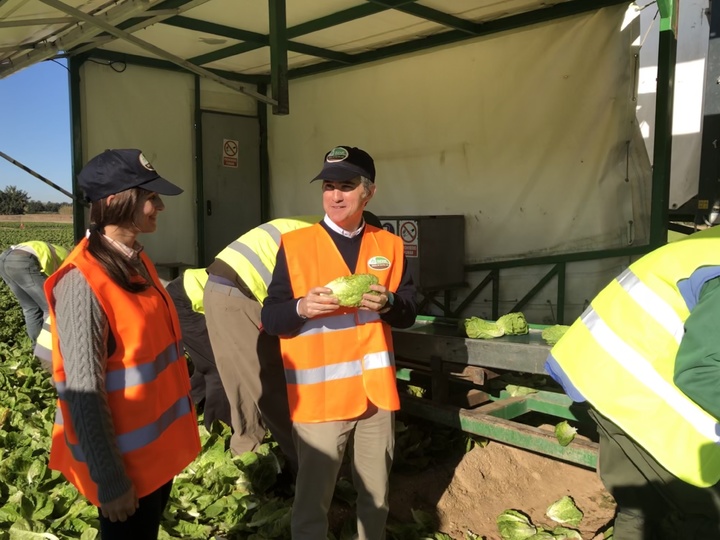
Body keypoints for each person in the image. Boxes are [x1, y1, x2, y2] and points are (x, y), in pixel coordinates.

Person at [261, 145, 417, 540]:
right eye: (329, 186)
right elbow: (271, 318)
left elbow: (410, 311)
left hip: (375, 397)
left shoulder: (390, 245)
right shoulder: (296, 245)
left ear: (369, 192)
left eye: (346, 186)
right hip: (320, 401)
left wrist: (391, 303)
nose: (335, 195)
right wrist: (301, 307)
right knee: (313, 505)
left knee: (376, 498)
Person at [45, 149, 200, 539]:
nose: (160, 206)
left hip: (153, 459)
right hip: (123, 469)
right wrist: (110, 481)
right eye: (150, 197)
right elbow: (84, 392)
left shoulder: (136, 260)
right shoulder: (82, 281)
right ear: (115, 202)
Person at [545, 225, 720, 539]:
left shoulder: (712, 243)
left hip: (602, 373)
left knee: (641, 509)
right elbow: (701, 371)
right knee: (707, 512)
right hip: (638, 389)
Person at [203, 211, 383, 469]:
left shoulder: (319, 227)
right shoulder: (322, 242)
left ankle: (250, 456)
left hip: (231, 287)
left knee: (249, 380)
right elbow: (310, 310)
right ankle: (308, 465)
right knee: (267, 382)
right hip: (237, 293)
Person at [165, 267, 232, 429]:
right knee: (219, 367)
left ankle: (179, 416)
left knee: (206, 363)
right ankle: (219, 429)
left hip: (187, 292)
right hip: (186, 299)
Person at [0, 240, 69, 347]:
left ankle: (37, 349)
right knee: (50, 307)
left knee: (30, 308)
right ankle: (50, 350)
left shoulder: (61, 253)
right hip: (23, 260)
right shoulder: (71, 261)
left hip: (4, 259)